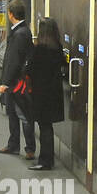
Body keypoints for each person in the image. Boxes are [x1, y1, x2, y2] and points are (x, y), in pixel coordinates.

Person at [0, 0, 35, 159]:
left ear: (11, 14)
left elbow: (13, 61)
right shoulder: (24, 31)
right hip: (19, 81)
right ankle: (14, 144)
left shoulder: (18, 34)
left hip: (17, 83)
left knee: (21, 114)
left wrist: (5, 83)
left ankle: (28, 148)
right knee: (12, 112)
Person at [24, 19, 65, 170]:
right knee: (48, 127)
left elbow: (29, 70)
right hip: (54, 95)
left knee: (44, 128)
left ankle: (45, 161)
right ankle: (48, 159)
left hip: (41, 95)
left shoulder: (40, 50)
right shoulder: (58, 48)